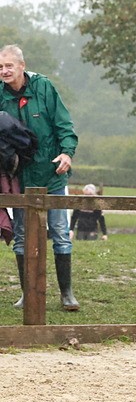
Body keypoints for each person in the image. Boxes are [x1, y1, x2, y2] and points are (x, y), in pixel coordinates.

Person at [0, 44, 81, 311]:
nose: (4, 71)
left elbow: (64, 125)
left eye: (9, 65)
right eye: (0, 67)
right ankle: (28, 294)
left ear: (22, 66)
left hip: (52, 174)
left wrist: (67, 153)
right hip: (20, 177)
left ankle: (67, 294)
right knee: (22, 236)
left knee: (59, 232)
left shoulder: (44, 87)